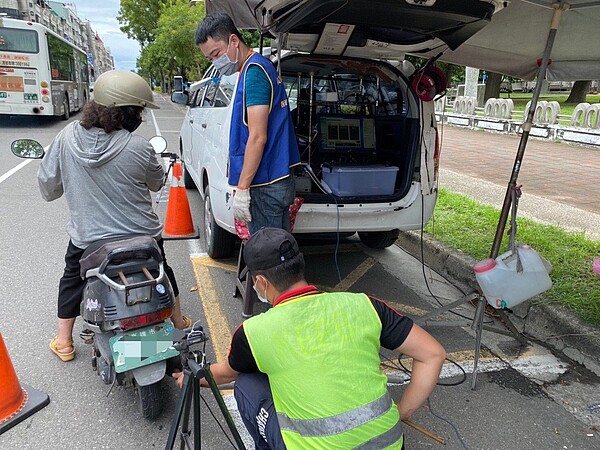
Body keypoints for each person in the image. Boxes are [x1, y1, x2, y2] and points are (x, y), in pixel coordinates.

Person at [173, 228, 447, 449]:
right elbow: (433, 354)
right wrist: (402, 412)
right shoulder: (365, 305)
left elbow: (222, 375)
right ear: (300, 267)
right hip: (389, 443)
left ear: (261, 283)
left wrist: (192, 377)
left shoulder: (255, 332)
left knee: (246, 382)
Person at [39, 70, 192, 362]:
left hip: (89, 241)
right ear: (129, 114)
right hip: (142, 239)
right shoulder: (140, 146)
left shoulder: (65, 138)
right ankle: (178, 322)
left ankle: (64, 342)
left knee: (72, 278)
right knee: (162, 271)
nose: (141, 118)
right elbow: (156, 182)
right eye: (140, 111)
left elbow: (49, 189)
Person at [195, 12, 301, 235]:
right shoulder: (258, 67)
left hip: (265, 184)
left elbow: (257, 136)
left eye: (216, 54)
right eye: (210, 59)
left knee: (267, 259)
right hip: (276, 180)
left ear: (234, 40)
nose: (216, 63)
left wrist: (242, 189)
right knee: (278, 253)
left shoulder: (254, 74)